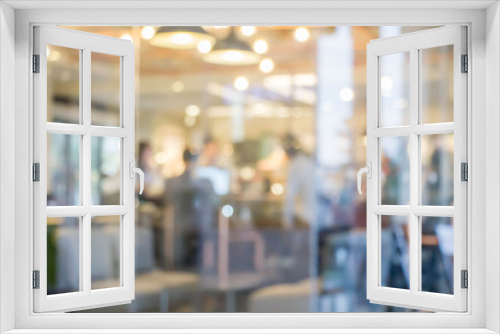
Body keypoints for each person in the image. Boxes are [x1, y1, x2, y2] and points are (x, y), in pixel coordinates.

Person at [164, 149, 219, 269]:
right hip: (201, 226)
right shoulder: (206, 183)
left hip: (180, 225)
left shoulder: (172, 182)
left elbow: (167, 201)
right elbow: (216, 202)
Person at [282, 134, 317, 229]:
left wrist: (287, 219)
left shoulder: (296, 165)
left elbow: (289, 194)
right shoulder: (307, 162)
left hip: (306, 218)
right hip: (316, 217)